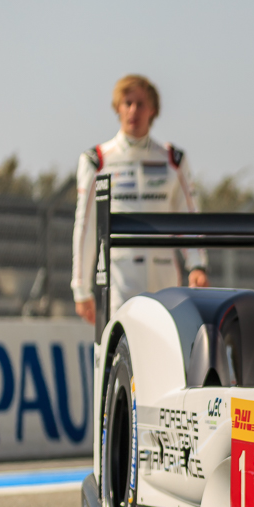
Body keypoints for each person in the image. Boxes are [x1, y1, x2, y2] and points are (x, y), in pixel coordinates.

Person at [71, 75, 209, 323]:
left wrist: (197, 265)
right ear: (117, 108)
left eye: (141, 104)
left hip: (166, 279)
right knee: (121, 356)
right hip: (120, 281)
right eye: (127, 103)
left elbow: (189, 218)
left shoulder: (173, 160)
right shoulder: (97, 160)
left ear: (153, 109)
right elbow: (85, 226)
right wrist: (80, 288)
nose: (133, 110)